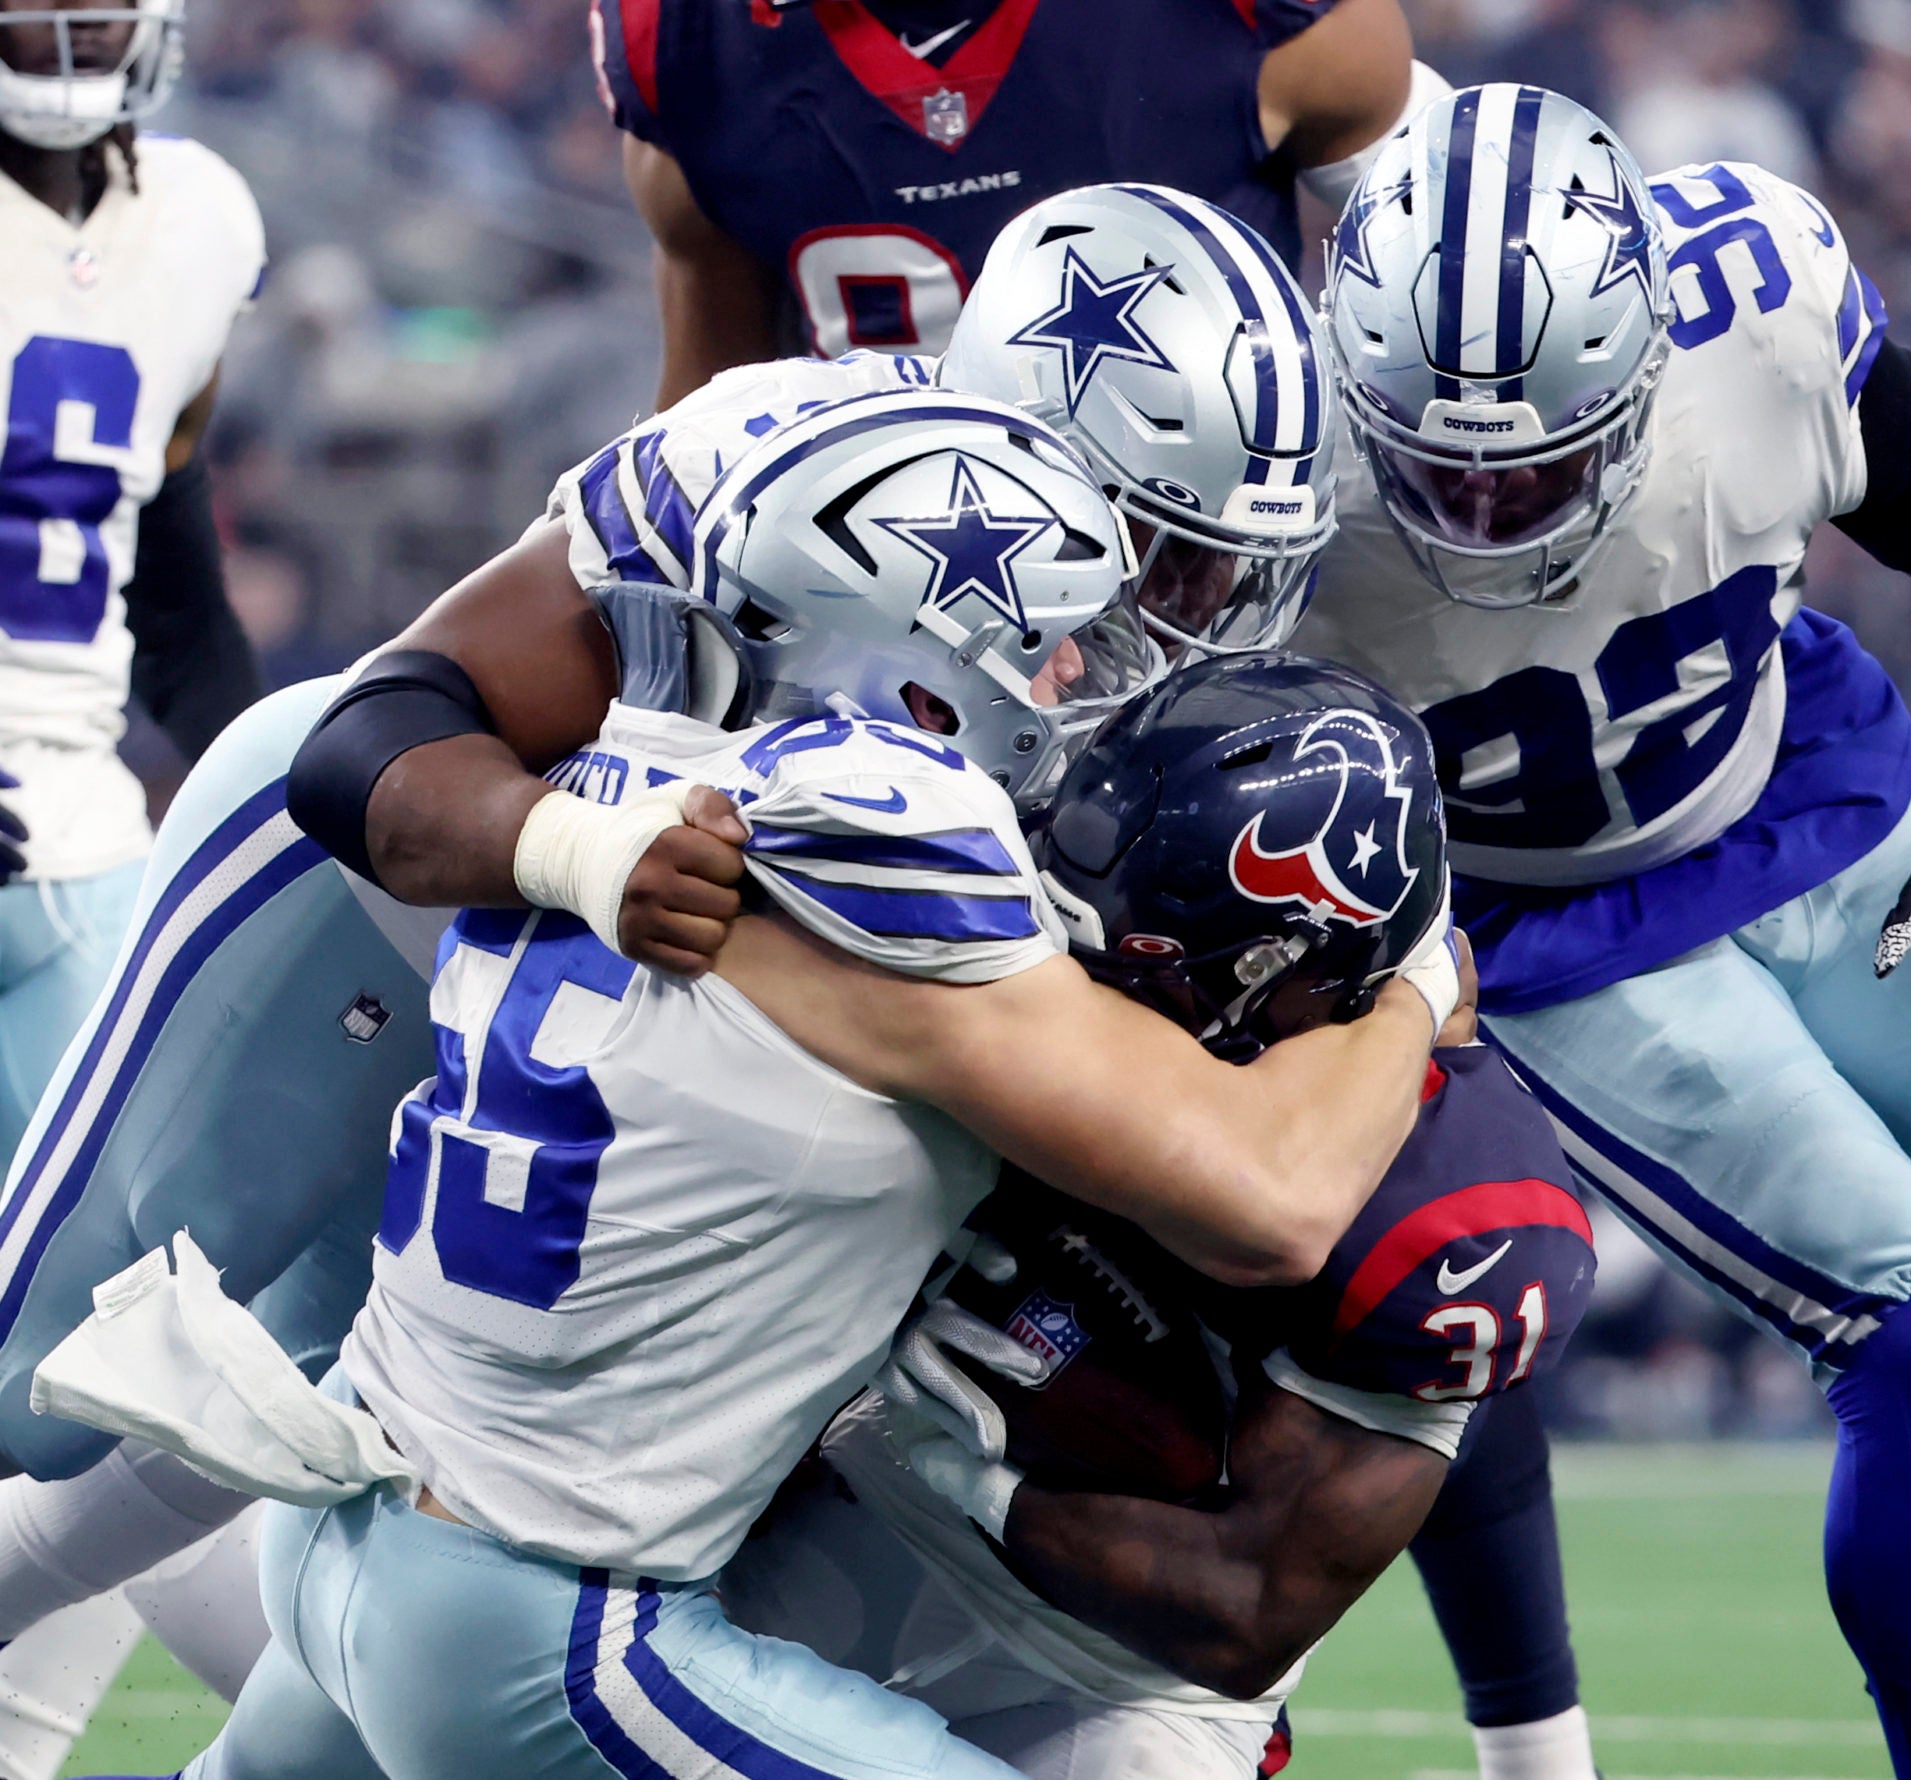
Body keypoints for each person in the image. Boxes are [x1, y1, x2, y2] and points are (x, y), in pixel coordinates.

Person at [0, 185, 1348, 1764]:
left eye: (1238, 576)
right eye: (1169, 567)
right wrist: (583, 850)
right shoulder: (772, 468)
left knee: (431, 1450)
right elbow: (382, 733)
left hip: (643, 1076)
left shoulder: (1111, 699)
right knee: (39, 1375)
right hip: (384, 904)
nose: (1199, 628)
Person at [1301, 85, 1911, 1780]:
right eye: (1439, 472)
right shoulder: (1282, 468)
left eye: (1534, 470)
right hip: (1555, 930)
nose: (1484, 521)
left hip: (1810, 793)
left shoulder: (1761, 317)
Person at [724, 653, 1598, 1780]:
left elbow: (1245, 1608)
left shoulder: (1442, 1213)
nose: (1077, 963)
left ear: (1283, 968)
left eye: (1136, 955)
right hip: (811, 1508)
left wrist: (937, 1463)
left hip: (1102, 1671)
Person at [587, 0, 1442, 403]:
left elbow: (1467, 264)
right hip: (877, 597)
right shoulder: (686, 42)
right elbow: (712, 419)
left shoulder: (1253, 21)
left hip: (1215, 560)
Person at [0, 0, 262, 1165]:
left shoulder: (197, 216)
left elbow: (168, 573)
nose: (75, 18)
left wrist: (264, 789)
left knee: (139, 1278)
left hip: (80, 832)